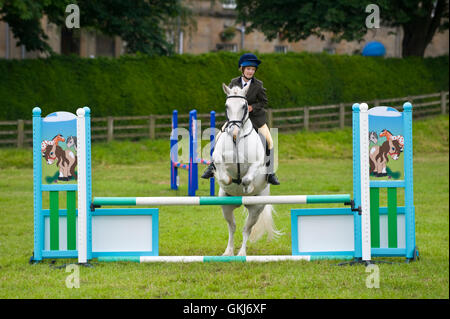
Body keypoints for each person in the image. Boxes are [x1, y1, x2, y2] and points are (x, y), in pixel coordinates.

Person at [201, 53, 280, 185]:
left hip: (255, 119)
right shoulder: (233, 82)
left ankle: (270, 173)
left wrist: (252, 107)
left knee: (269, 141)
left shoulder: (258, 85)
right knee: (219, 136)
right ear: (242, 69)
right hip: (236, 118)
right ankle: (212, 166)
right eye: (248, 69)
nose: (250, 71)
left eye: (253, 70)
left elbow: (264, 102)